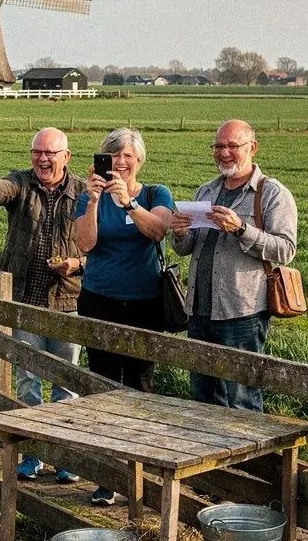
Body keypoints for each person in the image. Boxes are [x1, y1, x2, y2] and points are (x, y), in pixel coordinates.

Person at [0, 128, 85, 484]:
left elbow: (98, 239)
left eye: (50, 153)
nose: (43, 159)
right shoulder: (22, 183)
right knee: (28, 383)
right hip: (24, 300)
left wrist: (75, 263)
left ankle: (64, 456)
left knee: (66, 383)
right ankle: (33, 455)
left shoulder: (82, 192)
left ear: (66, 156)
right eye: (37, 152)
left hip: (67, 300)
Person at [74, 129, 174, 505]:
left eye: (127, 155)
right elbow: (85, 243)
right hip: (100, 300)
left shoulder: (154, 193)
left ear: (139, 160)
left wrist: (129, 203)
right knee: (101, 385)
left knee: (139, 385)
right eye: (113, 155)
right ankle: (106, 475)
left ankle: (140, 469)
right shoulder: (88, 196)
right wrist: (95, 202)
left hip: (144, 303)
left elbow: (159, 230)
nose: (120, 162)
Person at [169, 121, 298, 413]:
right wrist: (179, 233)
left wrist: (241, 229)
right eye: (218, 146)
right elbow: (189, 247)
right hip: (199, 310)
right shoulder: (206, 190)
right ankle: (213, 459)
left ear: (252, 148)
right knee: (203, 398)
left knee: (241, 400)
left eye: (232, 146)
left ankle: (249, 460)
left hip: (242, 311)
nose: (224, 153)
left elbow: (286, 250)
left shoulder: (272, 194)